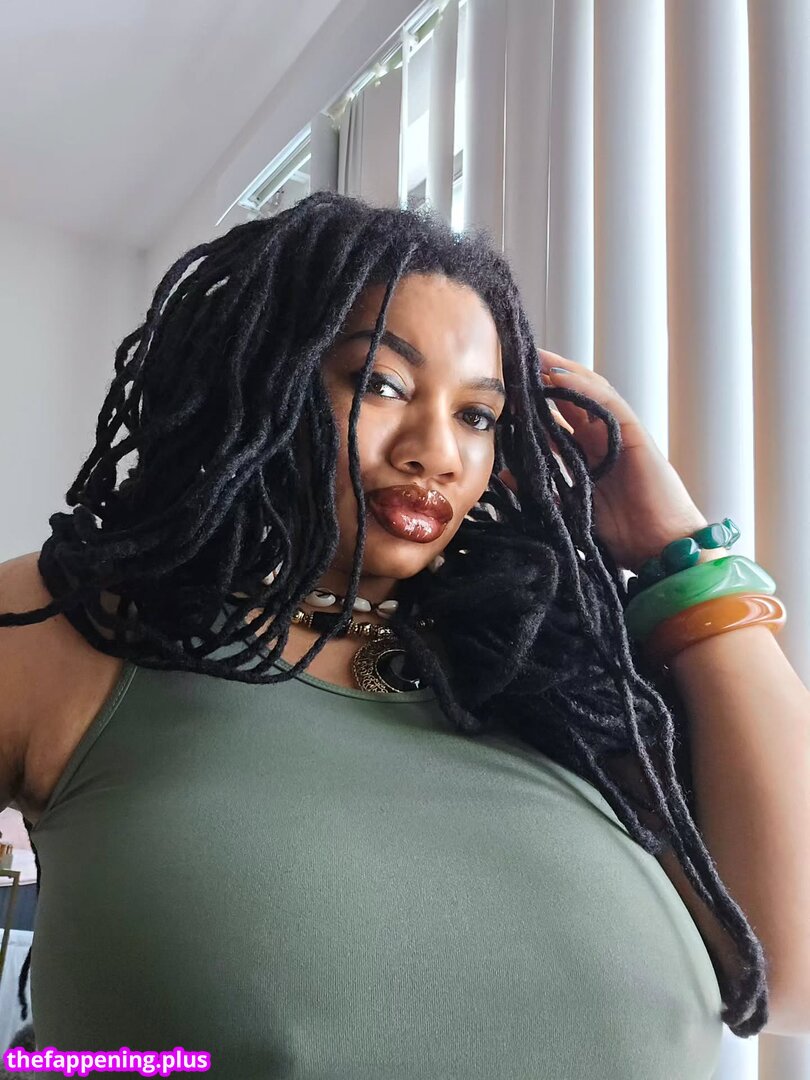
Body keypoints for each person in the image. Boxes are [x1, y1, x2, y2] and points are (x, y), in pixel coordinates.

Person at [0, 191, 774, 1076]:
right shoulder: (73, 626)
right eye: (381, 383)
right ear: (262, 373)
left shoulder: (558, 688)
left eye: (477, 415)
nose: (436, 451)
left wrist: (682, 552)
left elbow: (781, 969)